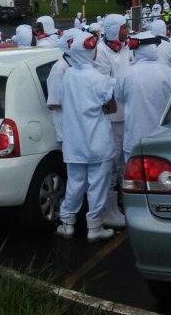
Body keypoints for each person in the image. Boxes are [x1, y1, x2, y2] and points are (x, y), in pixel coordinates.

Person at [56, 31, 117, 243]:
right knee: (97, 186)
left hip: (74, 142)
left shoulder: (68, 76)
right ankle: (95, 226)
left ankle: (67, 223)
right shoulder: (99, 78)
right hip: (98, 140)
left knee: (75, 184)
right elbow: (109, 99)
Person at [115, 31, 171, 162]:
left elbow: (119, 98)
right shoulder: (169, 73)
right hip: (163, 138)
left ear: (135, 50)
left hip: (135, 137)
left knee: (135, 180)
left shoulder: (126, 74)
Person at [94, 13, 132, 229]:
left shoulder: (125, 48)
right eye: (123, 28)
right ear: (112, 30)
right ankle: (107, 210)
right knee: (111, 161)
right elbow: (103, 82)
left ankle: (119, 203)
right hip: (112, 117)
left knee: (124, 161)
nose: (126, 31)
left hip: (128, 113)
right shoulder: (101, 52)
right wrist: (128, 83)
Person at [46, 28, 84, 143]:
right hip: (68, 131)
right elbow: (53, 103)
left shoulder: (79, 63)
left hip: (80, 128)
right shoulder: (59, 69)